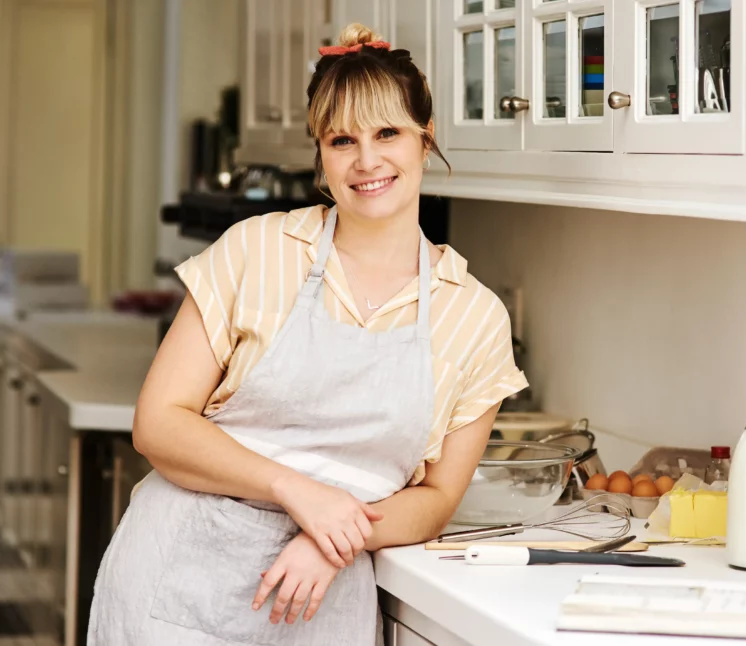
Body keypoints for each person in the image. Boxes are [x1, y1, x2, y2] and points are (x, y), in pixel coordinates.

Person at [87, 23, 528, 646]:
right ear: (320, 152)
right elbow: (158, 424)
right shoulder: (258, 251)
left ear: (425, 140)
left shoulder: (475, 317)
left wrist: (335, 539)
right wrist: (299, 493)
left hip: (321, 597)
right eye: (342, 139)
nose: (367, 160)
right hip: (174, 585)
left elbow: (436, 497)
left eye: (388, 133)